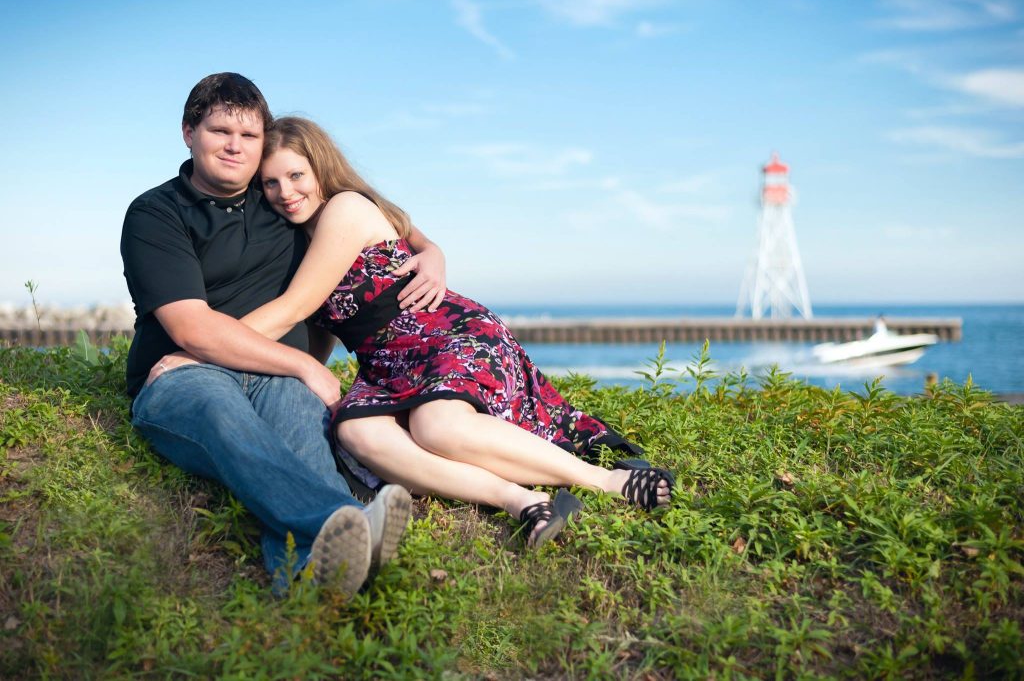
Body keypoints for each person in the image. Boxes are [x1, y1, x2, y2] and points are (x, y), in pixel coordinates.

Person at [232, 116, 677, 547]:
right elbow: (324, 325)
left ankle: (609, 481)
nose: (285, 192)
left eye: (295, 175)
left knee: (435, 425)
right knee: (357, 433)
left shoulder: (345, 208)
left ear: (320, 167)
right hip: (391, 366)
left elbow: (294, 308)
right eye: (271, 183)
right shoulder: (299, 241)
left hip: (446, 336)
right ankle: (522, 500)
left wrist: (198, 348)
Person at [120, 73, 448, 595]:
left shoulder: (281, 198)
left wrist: (431, 251)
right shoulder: (156, 214)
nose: (235, 146)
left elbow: (371, 211)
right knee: (224, 419)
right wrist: (303, 363)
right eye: (219, 130)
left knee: (303, 436)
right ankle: (346, 523)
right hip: (183, 374)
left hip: (271, 375)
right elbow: (193, 328)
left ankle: (302, 578)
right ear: (188, 132)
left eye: (249, 136)